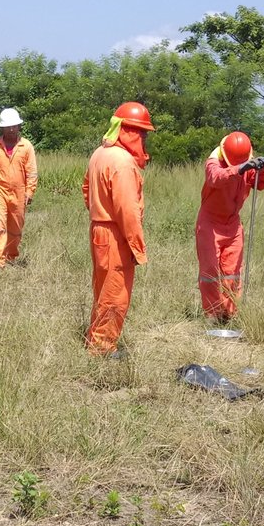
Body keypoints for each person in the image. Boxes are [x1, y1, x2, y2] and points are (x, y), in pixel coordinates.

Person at [82, 101, 155, 356]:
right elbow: (128, 211)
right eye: (142, 133)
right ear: (129, 131)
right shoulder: (122, 161)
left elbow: (86, 189)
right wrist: (137, 247)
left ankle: (95, 339)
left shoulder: (99, 153)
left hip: (99, 229)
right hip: (116, 233)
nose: (144, 139)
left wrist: (98, 211)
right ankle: (102, 347)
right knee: (116, 293)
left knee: (103, 289)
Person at [195, 131, 264, 321]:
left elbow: (263, 184)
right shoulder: (214, 162)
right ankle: (212, 314)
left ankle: (229, 314)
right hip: (210, 223)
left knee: (232, 271)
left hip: (233, 224)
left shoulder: (247, 163)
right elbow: (215, 178)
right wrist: (239, 168)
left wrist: (263, 168)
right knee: (210, 271)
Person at [0, 107, 39, 269]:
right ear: (2, 128)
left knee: (15, 228)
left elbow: (32, 172)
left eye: (14, 126)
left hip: (19, 193)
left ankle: (10, 256)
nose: (11, 129)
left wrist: (30, 191)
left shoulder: (26, 146)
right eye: (8, 126)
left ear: (19, 126)